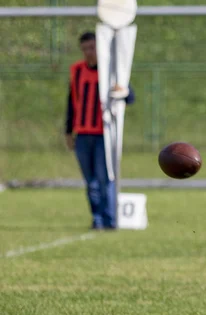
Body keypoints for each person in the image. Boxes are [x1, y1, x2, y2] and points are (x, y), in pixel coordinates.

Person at [65, 32, 135, 230]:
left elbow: (130, 97)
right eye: (85, 48)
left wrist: (122, 91)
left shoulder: (111, 72)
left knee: (106, 178)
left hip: (104, 134)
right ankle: (97, 219)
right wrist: (68, 131)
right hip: (83, 134)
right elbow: (71, 102)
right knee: (91, 181)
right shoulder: (77, 71)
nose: (89, 52)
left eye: (93, 47)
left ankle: (110, 219)